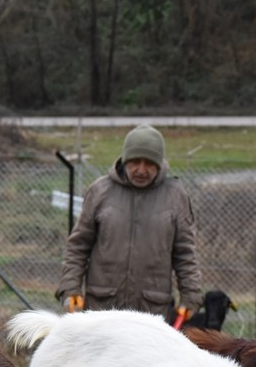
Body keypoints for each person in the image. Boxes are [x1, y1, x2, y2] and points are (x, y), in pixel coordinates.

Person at [56, 123, 203, 320]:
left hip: (152, 314)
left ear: (159, 164)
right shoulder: (100, 192)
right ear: (124, 160)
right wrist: (70, 288)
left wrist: (191, 295)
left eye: (149, 163)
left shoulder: (176, 196)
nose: (141, 170)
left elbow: (185, 254)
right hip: (102, 309)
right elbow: (77, 247)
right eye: (135, 162)